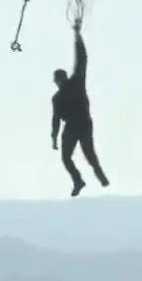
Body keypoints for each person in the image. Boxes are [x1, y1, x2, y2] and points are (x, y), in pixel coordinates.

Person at [50, 25, 108, 197]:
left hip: (77, 125)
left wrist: (78, 38)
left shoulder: (67, 90)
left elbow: (81, 60)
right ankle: (87, 178)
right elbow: (82, 60)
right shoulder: (71, 87)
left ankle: (84, 179)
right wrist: (77, 38)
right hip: (81, 124)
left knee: (79, 155)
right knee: (83, 154)